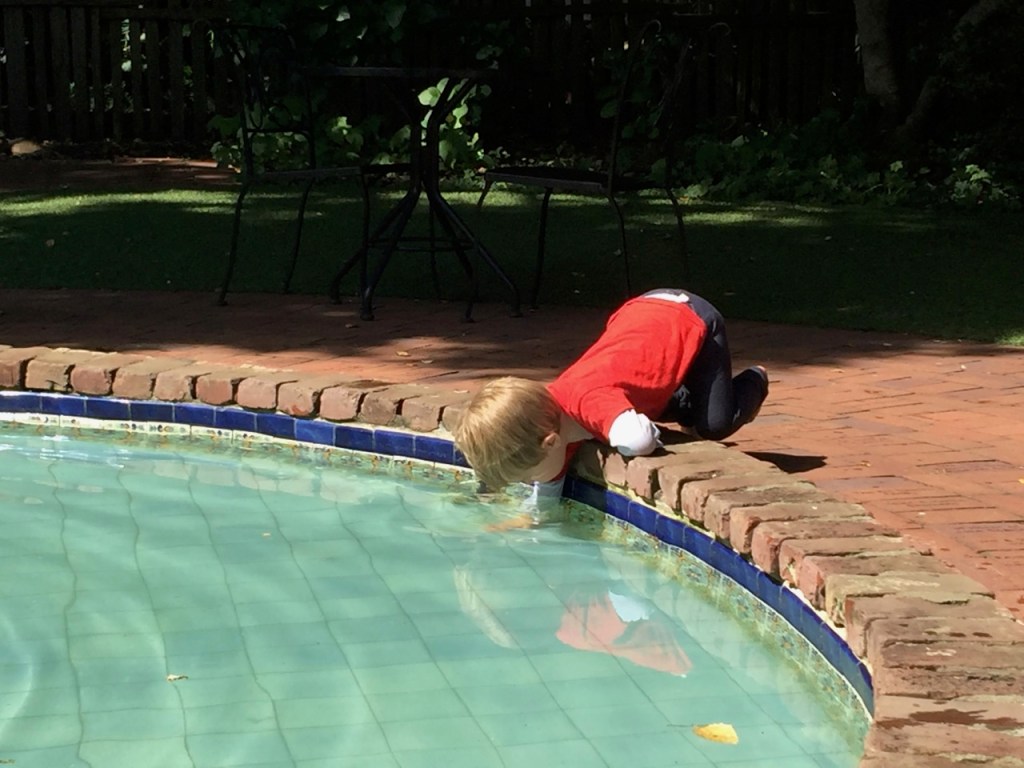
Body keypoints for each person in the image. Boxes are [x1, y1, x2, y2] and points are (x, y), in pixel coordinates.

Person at [453, 289, 768, 510]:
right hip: (639, 316)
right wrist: (532, 521)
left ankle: (755, 380)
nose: (531, 483)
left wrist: (626, 433)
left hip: (687, 317)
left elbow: (638, 440)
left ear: (550, 442)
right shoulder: (550, 417)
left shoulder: (588, 402)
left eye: (528, 477)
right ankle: (691, 397)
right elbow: (549, 485)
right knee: (656, 404)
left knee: (713, 424)